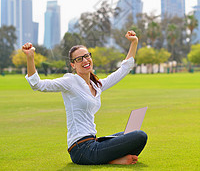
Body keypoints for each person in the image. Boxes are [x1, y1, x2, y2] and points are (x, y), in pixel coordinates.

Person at [22, 30, 147, 165]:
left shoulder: (97, 85)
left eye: (87, 56)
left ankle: (112, 159)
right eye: (79, 59)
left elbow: (123, 70)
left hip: (93, 142)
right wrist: (30, 57)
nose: (85, 61)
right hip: (81, 149)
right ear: (73, 65)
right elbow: (37, 85)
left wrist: (134, 42)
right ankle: (113, 160)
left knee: (132, 133)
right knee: (140, 136)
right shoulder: (70, 82)